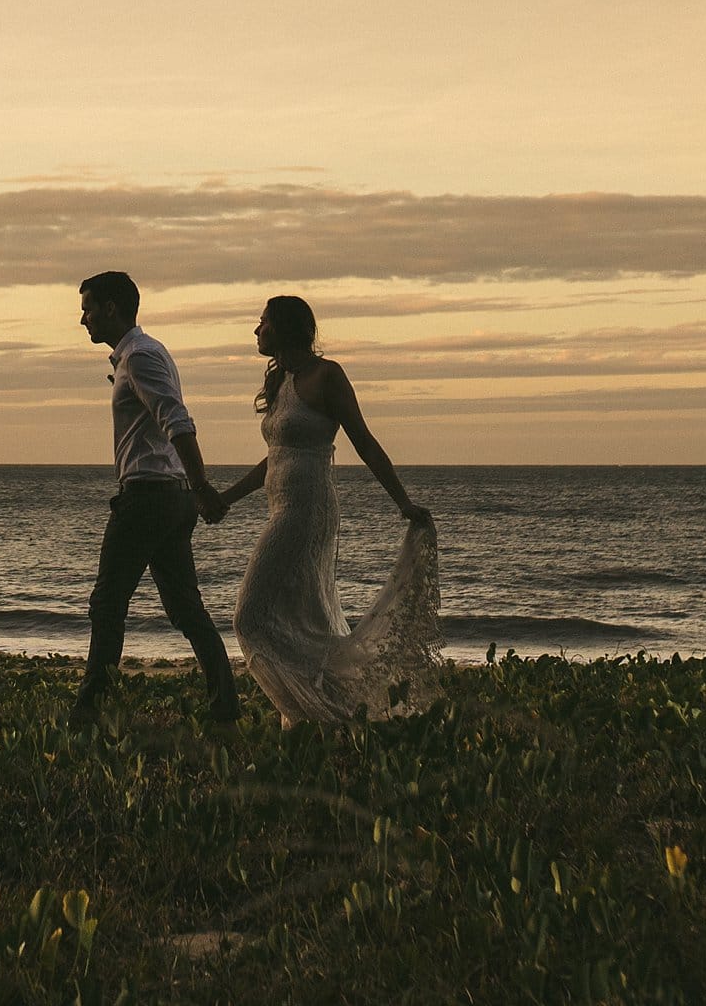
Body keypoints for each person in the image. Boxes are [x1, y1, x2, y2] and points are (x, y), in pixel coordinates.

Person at [205, 294, 441, 724]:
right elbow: (275, 458)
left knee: (249, 616)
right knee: (303, 618)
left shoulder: (326, 376)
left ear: (285, 327)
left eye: (262, 323)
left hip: (308, 511)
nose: (256, 331)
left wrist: (402, 501)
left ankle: (314, 713)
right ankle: (318, 715)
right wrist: (226, 499)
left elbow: (363, 440)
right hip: (282, 507)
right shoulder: (281, 382)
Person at [71, 270, 239, 728]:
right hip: (169, 497)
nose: (82, 319)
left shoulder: (140, 357)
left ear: (111, 308)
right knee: (186, 608)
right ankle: (225, 704)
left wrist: (203, 487)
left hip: (148, 496)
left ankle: (89, 710)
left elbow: (177, 422)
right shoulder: (144, 354)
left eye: (88, 308)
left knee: (107, 605)